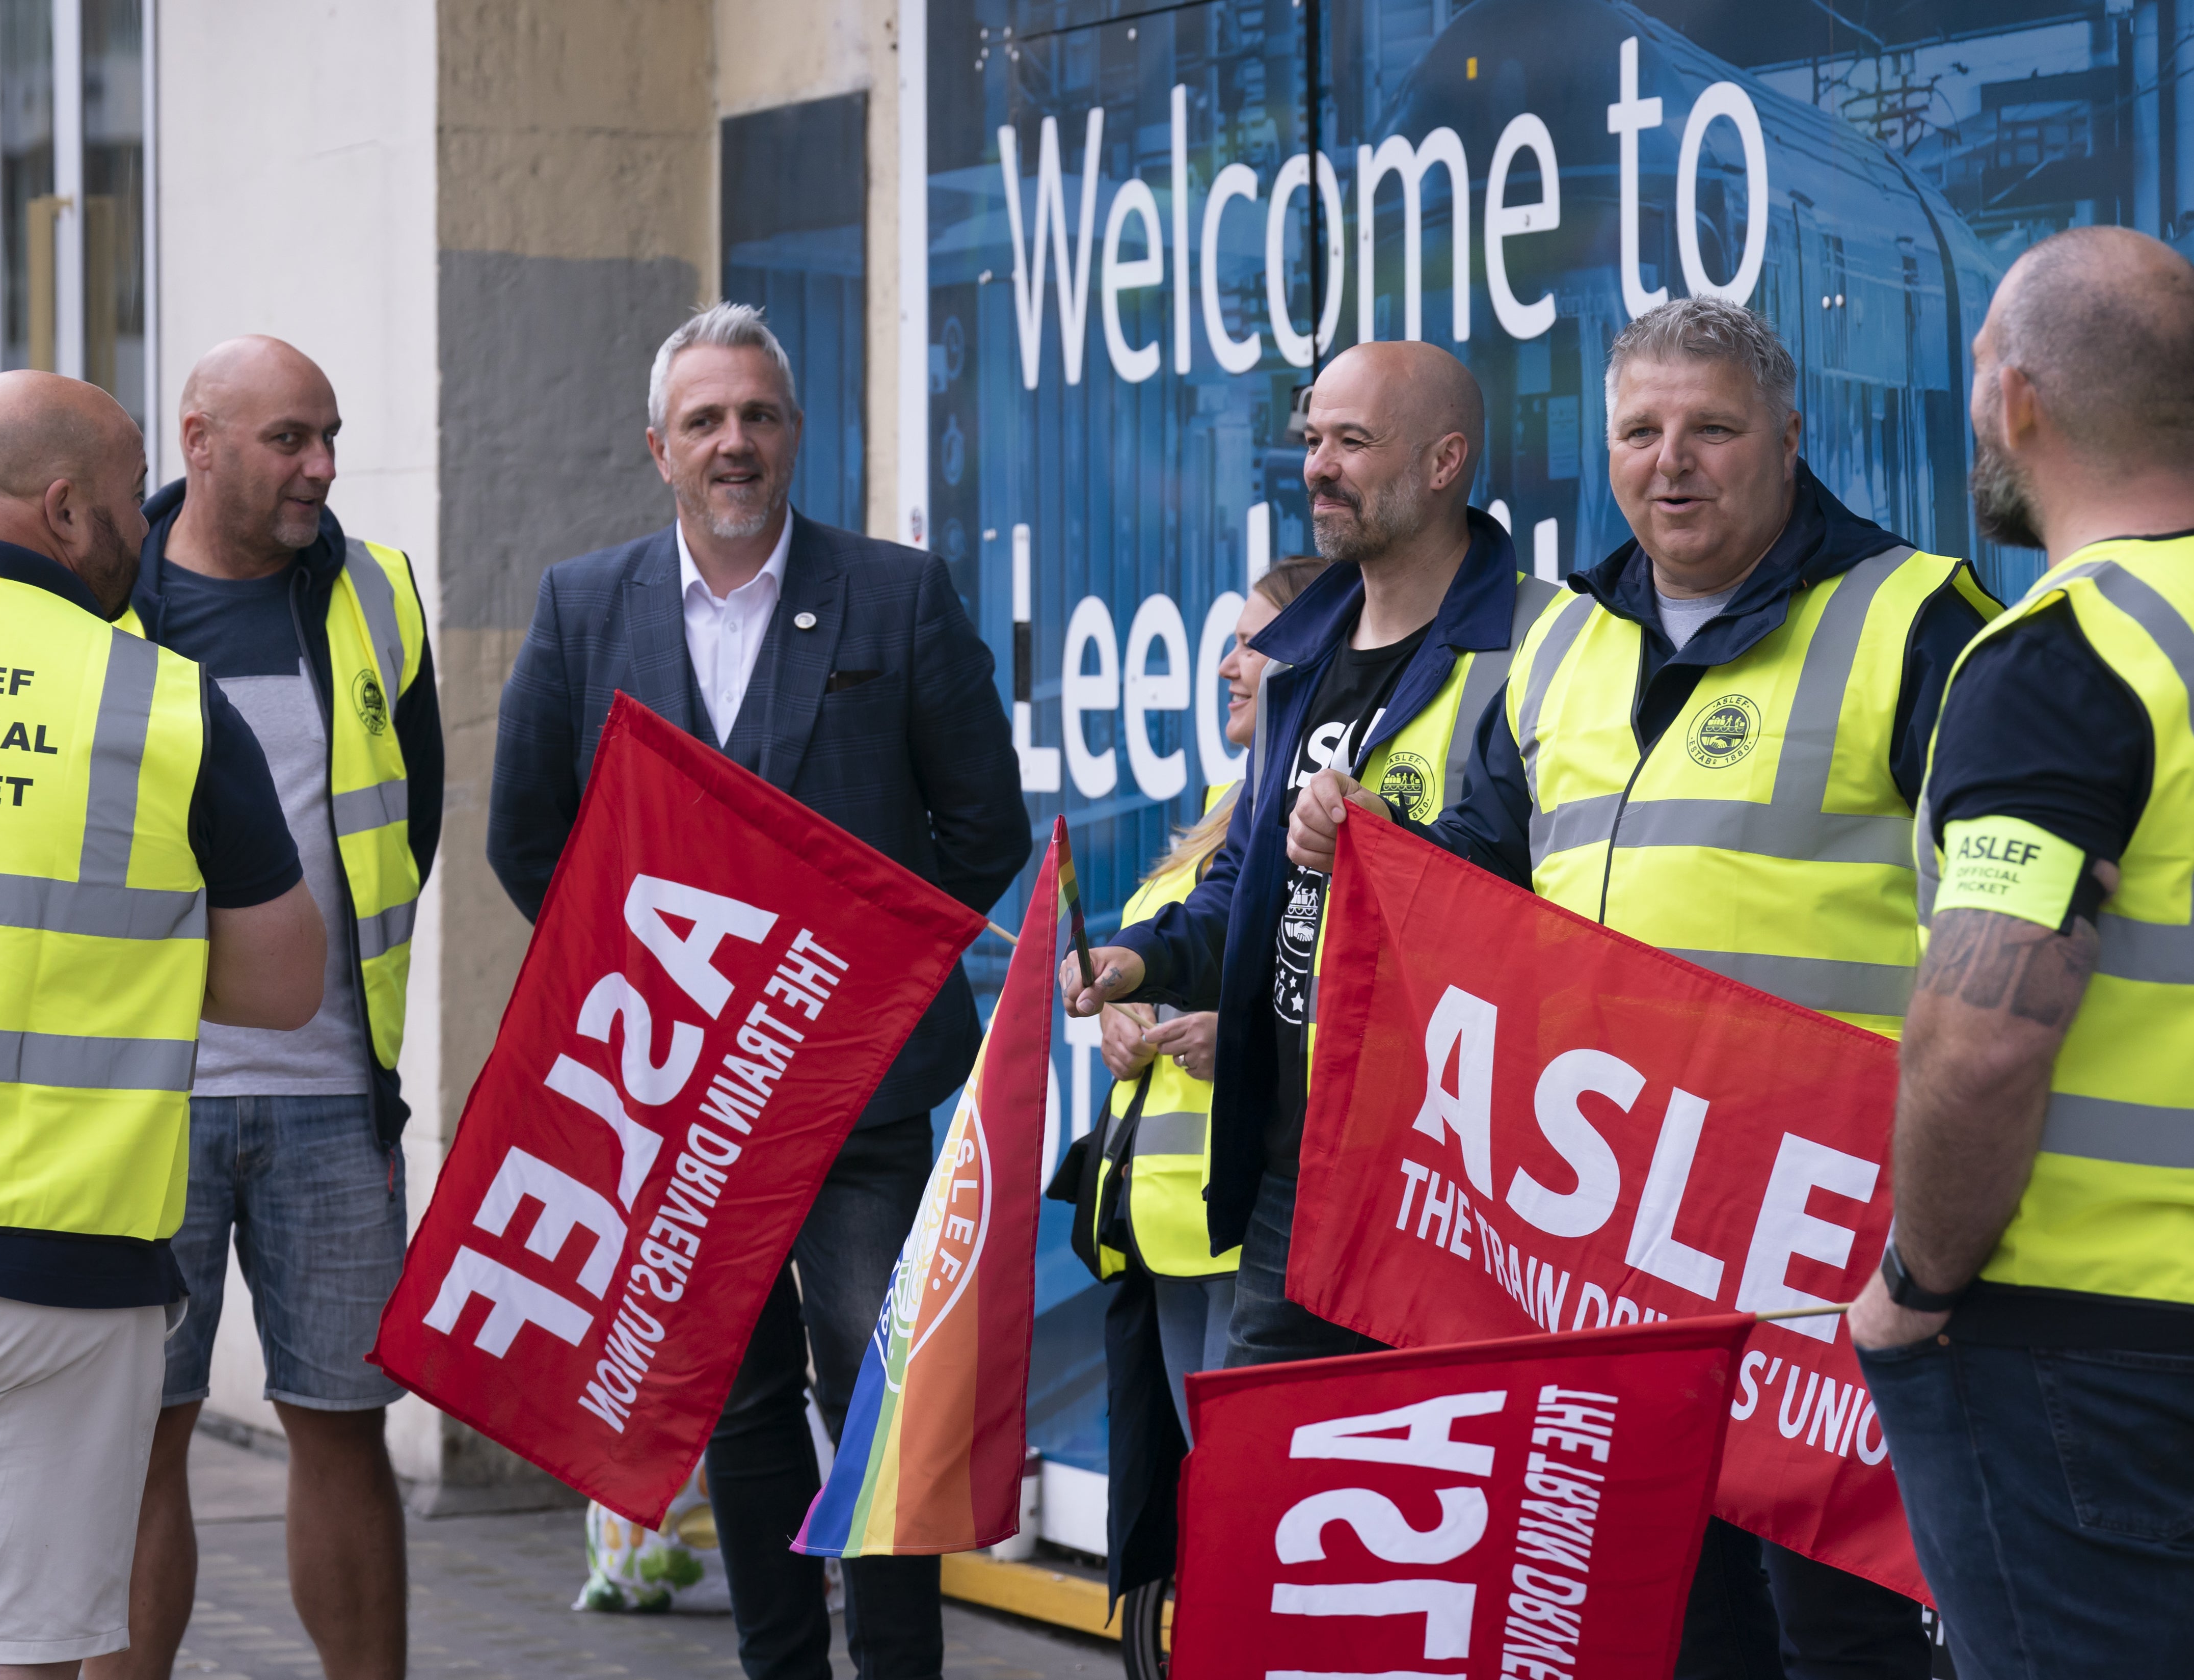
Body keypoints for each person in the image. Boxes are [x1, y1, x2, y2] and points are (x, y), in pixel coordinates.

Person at [1290, 296, 1996, 1679]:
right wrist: (1370, 849)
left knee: (1834, 1629)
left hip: (1821, 1254)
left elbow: (1999, 937)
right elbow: (1478, 890)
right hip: (1613, 1251)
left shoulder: (1915, 620)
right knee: (1652, 1610)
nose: (1669, 462)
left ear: (1787, 442)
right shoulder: (1561, 642)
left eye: (1710, 430)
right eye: (1638, 431)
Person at [488, 302, 1029, 1680]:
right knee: (729, 1402)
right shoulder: (582, 603)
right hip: (679, 1097)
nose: (735, 443)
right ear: (656, 447)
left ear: (795, 435)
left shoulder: (893, 595)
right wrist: (644, 999)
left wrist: (860, 982)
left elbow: (980, 829)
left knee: (872, 1396)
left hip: (858, 1086)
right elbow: (527, 835)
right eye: (707, 421)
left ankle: (898, 1670)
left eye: (760, 416)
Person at [0, 372, 323, 1679]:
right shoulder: (168, 705)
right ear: (65, 506)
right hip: (53, 1266)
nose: (145, 535)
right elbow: (279, 987)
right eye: (129, 507)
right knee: (10, 1658)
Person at [1850, 227, 2194, 1676]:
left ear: (2014, 399)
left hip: (2089, 1355)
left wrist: (1912, 1285)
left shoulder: (2061, 659)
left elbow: (1981, 1037)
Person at [1061, 339, 1562, 1367]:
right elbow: (1245, 889)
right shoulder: (1295, 662)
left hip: (1453, 1172)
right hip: (1298, 1165)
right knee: (1268, 1503)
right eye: (1312, 440)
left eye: (1351, 441)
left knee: (1432, 1494)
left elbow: (1554, 899)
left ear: (1443, 461)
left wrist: (1391, 850)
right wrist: (1140, 957)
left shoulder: (1547, 641)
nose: (1317, 467)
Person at [96, 338, 443, 1680]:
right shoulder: (102, 600)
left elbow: (402, 826)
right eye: (289, 439)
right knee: (139, 1436)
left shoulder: (376, 597)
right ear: (199, 440)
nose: (323, 467)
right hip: (142, 1100)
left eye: (332, 435)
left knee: (342, 1425)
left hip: (327, 1100)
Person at [1061, 555, 1328, 1605]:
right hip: (1168, 1227)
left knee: (1254, 1523)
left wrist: (1250, 1035)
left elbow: (1324, 986)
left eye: (1256, 641)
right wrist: (1118, 1004)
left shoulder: (1309, 813)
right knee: (1203, 1526)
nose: (1228, 664)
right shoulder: (1221, 817)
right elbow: (1182, 950)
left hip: (1251, 1222)